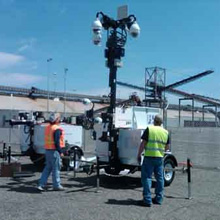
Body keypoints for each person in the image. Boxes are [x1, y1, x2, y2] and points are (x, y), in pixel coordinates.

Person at [137, 115, 170, 207]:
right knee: (160, 178)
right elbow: (167, 148)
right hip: (159, 158)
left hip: (149, 157)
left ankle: (147, 200)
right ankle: (159, 198)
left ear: (154, 121)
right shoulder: (165, 132)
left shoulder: (149, 129)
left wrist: (139, 154)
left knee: (147, 177)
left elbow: (143, 143)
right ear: (161, 123)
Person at [38, 112, 65, 191]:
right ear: (56, 120)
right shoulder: (57, 129)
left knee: (47, 168)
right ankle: (56, 185)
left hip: (48, 150)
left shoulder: (48, 127)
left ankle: (41, 184)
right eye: (59, 118)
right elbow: (57, 142)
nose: (60, 120)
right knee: (56, 169)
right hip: (54, 151)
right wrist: (61, 152)